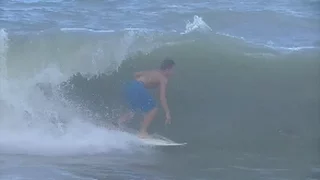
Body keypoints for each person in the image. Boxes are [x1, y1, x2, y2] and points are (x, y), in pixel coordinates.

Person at [118, 58, 175, 138]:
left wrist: (139, 83)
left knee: (133, 111)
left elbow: (136, 74)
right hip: (137, 87)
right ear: (168, 69)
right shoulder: (163, 78)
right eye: (172, 70)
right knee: (154, 109)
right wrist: (167, 112)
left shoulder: (153, 71)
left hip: (130, 85)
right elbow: (162, 97)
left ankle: (118, 123)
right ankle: (142, 132)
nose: (173, 72)